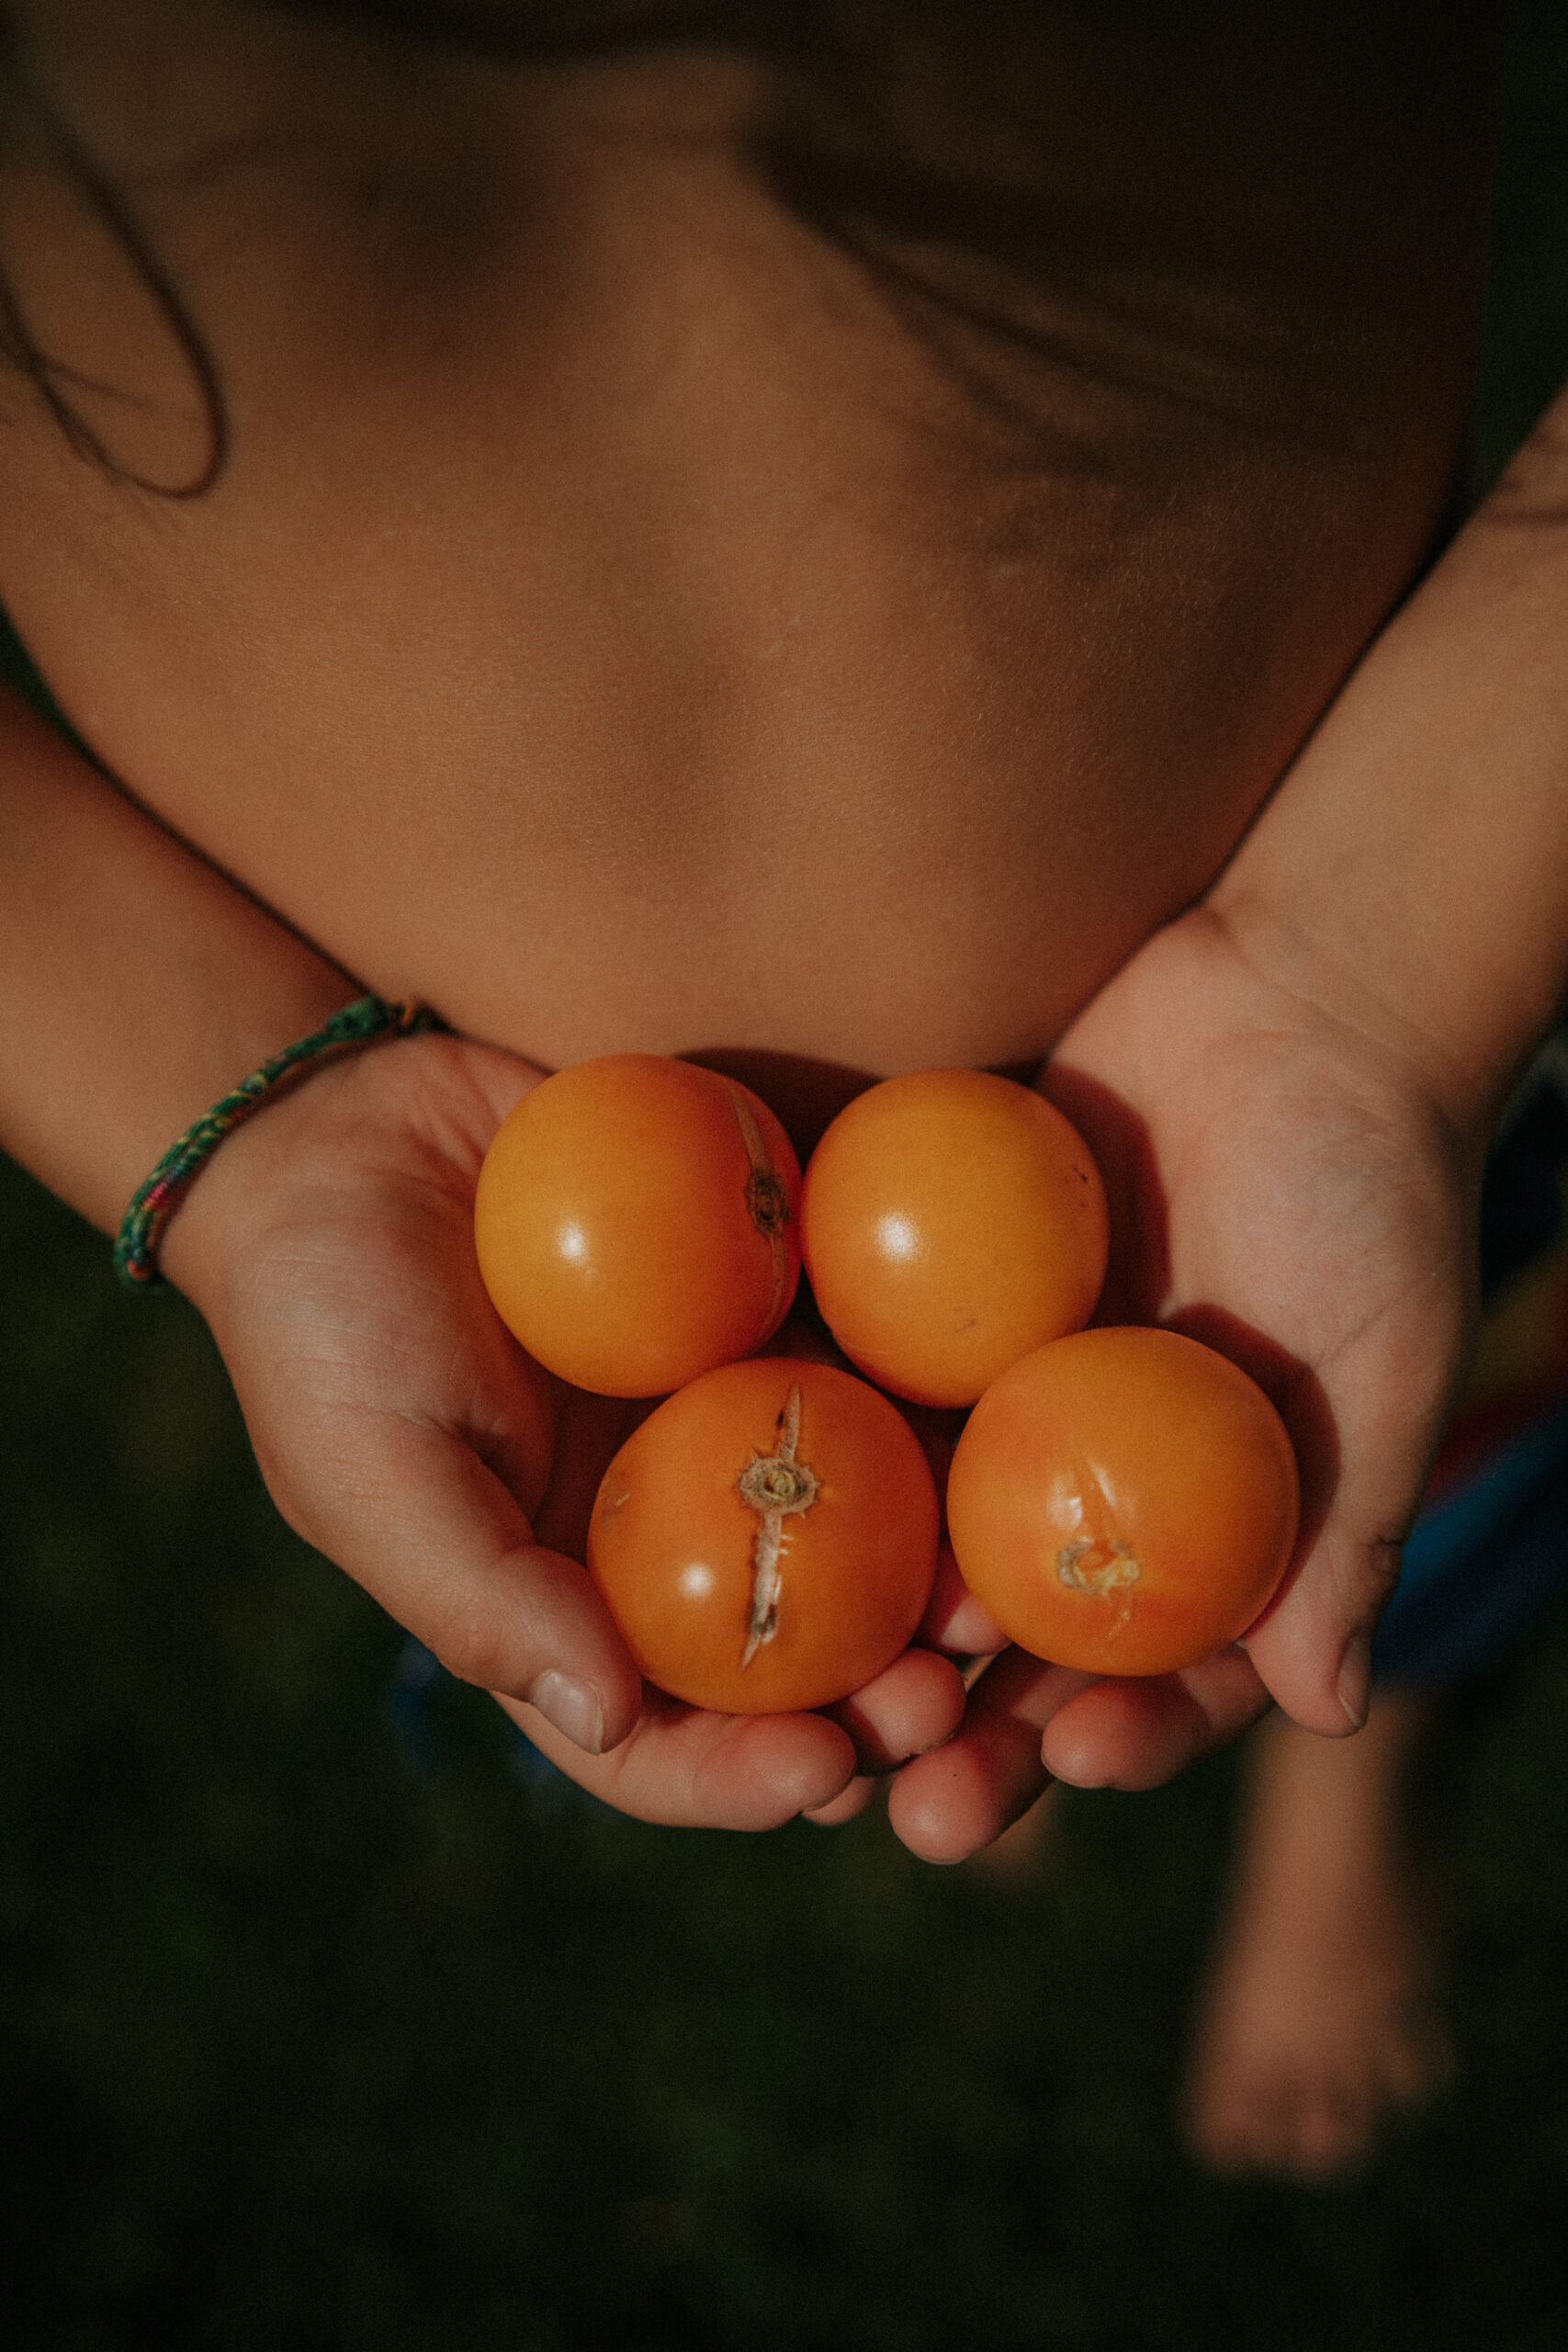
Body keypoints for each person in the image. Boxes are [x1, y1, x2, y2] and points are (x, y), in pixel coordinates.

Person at [3, 0, 1565, 2172]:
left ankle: (1342, 1776)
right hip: (593, 1316)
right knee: (965, 1628)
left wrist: (1403, 957)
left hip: (1304, 1009)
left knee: (1373, 1495)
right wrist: (224, 1121)